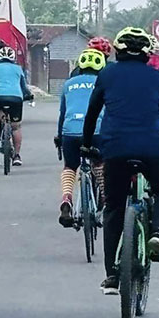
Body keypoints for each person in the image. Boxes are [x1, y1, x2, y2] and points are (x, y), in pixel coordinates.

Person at [82, 27, 159, 295]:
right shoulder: (157, 78)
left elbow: (92, 114)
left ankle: (112, 276)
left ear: (118, 51)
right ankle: (157, 231)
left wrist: (88, 144)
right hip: (152, 150)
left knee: (113, 208)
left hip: (115, 150)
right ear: (147, 53)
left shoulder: (107, 74)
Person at [55, 48, 105, 226]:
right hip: (96, 131)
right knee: (99, 163)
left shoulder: (69, 84)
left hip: (70, 131)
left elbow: (63, 113)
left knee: (70, 167)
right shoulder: (103, 82)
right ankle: (106, 202)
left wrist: (59, 136)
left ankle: (66, 200)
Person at [0, 46, 32, 166]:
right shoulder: (18, 69)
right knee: (16, 127)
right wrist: (29, 95)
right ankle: (17, 156)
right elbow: (24, 87)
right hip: (16, 98)